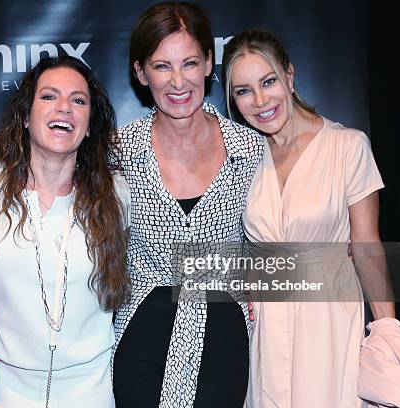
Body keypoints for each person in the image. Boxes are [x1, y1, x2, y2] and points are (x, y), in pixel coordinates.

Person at [222, 28, 396, 407]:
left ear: (290, 75)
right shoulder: (242, 157)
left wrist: (387, 330)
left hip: (330, 318)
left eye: (268, 81)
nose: (260, 100)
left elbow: (367, 247)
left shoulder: (347, 146)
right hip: (266, 325)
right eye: (243, 90)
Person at [112, 3, 265, 407]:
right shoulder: (119, 151)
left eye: (190, 63)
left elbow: (274, 238)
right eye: (162, 66)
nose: (178, 81)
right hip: (141, 334)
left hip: (224, 336)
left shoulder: (249, 149)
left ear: (209, 64)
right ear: (141, 73)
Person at [0, 55, 130, 408]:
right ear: (25, 117)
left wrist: (241, 286)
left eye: (78, 100)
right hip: (3, 391)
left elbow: (169, 252)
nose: (64, 108)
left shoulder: (117, 194)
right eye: (49, 97)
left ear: (89, 125)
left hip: (91, 390)